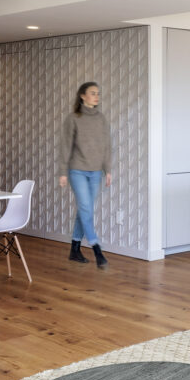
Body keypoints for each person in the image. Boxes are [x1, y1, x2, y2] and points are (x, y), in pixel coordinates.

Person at [58, 81, 112, 269]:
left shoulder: (101, 119)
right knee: (86, 208)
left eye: (98, 93)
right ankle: (97, 248)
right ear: (82, 95)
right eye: (92, 93)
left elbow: (106, 146)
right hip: (77, 170)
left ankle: (74, 249)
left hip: (96, 171)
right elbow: (66, 146)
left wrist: (108, 169)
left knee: (84, 210)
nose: (96, 96)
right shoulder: (73, 118)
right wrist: (63, 172)